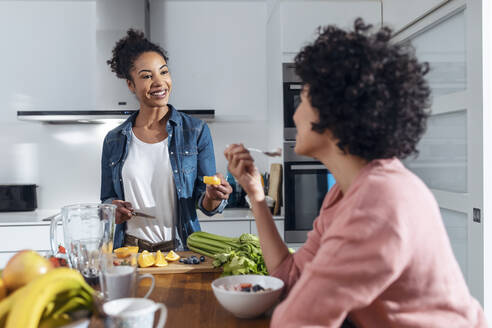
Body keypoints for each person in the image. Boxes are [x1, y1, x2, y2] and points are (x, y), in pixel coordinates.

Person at [224, 19, 486, 327]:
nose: (294, 112)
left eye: (304, 95)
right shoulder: (345, 194)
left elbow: (295, 320)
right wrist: (256, 196)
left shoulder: (380, 200)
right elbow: (289, 280)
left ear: (333, 108)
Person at [101, 29, 232, 252]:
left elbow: (207, 206)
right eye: (146, 76)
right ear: (131, 85)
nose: (159, 82)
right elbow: (106, 200)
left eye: (164, 72)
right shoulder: (114, 140)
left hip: (181, 250)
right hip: (128, 251)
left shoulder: (196, 131)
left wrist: (213, 196)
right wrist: (112, 210)